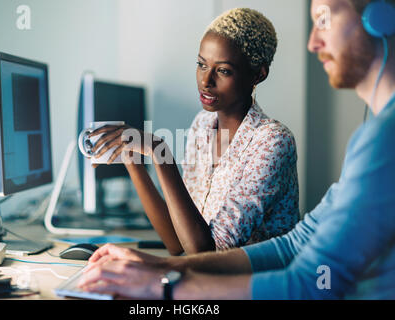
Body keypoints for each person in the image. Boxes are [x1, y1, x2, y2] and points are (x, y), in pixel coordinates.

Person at [78, 0, 395, 300]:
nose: (312, 43)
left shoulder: (279, 141)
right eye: (201, 65)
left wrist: (163, 286)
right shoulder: (202, 127)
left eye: (325, 20)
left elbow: (305, 283)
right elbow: (293, 245)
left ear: (380, 18)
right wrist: (158, 267)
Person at [88, 8, 299, 255]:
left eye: (223, 70)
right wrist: (132, 160)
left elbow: (205, 252)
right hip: (210, 282)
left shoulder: (273, 142)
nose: (205, 80)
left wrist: (159, 152)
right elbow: (178, 244)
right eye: (201, 64)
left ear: (258, 74)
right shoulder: (203, 124)